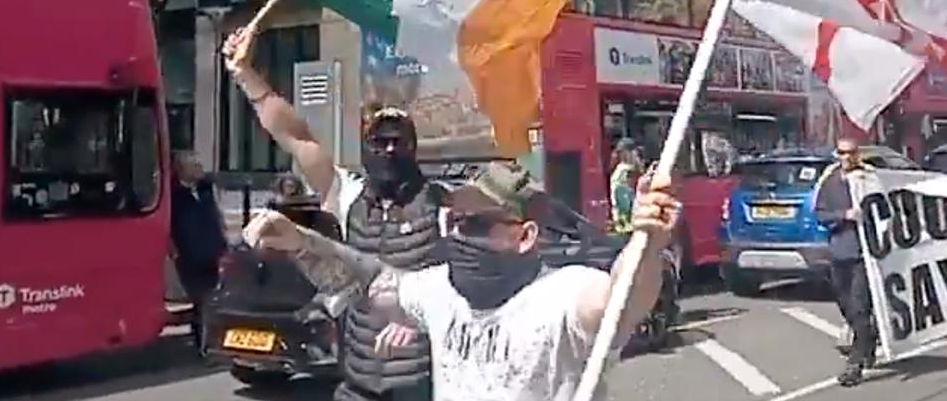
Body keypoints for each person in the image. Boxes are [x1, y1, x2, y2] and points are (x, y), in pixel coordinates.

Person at [243, 161, 680, 401]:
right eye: (454, 220)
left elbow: (622, 300)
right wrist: (300, 242)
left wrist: (648, 242)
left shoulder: (563, 295)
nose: (458, 233)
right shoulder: (440, 291)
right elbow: (369, 281)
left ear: (525, 236)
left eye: (476, 224)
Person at [224, 28, 441, 401]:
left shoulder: (441, 204)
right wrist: (246, 75)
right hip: (357, 380)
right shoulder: (347, 193)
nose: (389, 150)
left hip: (419, 382)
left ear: (414, 148)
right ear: (366, 148)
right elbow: (296, 136)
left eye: (398, 141)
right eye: (379, 141)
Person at [814, 138, 877, 387]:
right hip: (839, 252)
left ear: (857, 154)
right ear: (837, 154)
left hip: (863, 254)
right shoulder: (830, 182)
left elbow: (885, 207)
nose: (847, 157)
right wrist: (843, 215)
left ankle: (855, 364)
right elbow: (820, 213)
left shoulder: (867, 179)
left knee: (860, 307)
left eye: (851, 152)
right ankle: (868, 339)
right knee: (846, 304)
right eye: (842, 152)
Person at [169, 152, 227, 354]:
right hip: (190, 257)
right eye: (194, 165)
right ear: (181, 170)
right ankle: (204, 346)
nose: (200, 168)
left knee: (216, 299)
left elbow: (217, 217)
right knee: (203, 302)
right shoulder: (174, 196)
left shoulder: (206, 189)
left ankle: (211, 343)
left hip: (215, 252)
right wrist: (174, 251)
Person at [609, 139, 640, 232]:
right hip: (622, 190)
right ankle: (624, 225)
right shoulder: (622, 169)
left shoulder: (624, 167)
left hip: (625, 191)